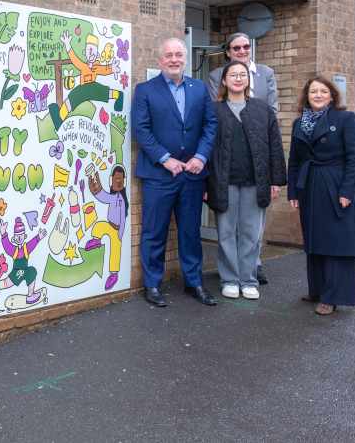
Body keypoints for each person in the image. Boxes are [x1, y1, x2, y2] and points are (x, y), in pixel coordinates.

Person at [131, 37, 218, 307]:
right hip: (159, 175)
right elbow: (141, 130)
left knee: (190, 231)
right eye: (169, 55)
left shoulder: (199, 89)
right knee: (154, 232)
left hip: (192, 175)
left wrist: (201, 157)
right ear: (160, 60)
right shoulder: (145, 90)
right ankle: (153, 285)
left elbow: (210, 125)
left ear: (185, 59)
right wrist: (165, 159)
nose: (174, 59)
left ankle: (194, 283)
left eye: (178, 54)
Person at [205, 61, 287, 300]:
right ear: (224, 80)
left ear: (248, 80)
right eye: (233, 75)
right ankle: (230, 279)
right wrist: (204, 184)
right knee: (227, 233)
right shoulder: (213, 110)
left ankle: (248, 279)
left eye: (242, 75)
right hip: (224, 182)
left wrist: (275, 180)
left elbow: (274, 146)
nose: (238, 78)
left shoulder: (262, 110)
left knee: (252, 234)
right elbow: (206, 149)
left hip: (255, 182)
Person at [287, 76, 355, 315]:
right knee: (314, 240)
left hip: (334, 186)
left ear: (332, 95)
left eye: (323, 91)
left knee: (335, 242)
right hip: (309, 186)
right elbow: (295, 161)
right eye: (313, 92)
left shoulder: (345, 119)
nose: (318, 95)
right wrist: (293, 191)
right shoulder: (299, 124)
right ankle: (317, 290)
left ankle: (332, 296)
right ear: (306, 97)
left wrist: (347, 191)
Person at [87, 165, 128, 290]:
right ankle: (96, 240)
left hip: (117, 230)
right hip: (109, 225)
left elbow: (123, 218)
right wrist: (94, 182)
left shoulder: (120, 199)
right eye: (115, 179)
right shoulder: (113, 197)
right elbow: (103, 196)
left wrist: (120, 234)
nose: (118, 182)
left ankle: (114, 274)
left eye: (120, 179)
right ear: (111, 180)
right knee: (99, 226)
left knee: (115, 251)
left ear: (123, 181)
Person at [0, 217, 47, 305]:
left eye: (21, 235)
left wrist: (38, 237)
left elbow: (32, 243)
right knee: (8, 283)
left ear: (24, 236)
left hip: (25, 271)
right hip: (16, 272)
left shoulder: (26, 248)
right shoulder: (13, 250)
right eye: (17, 236)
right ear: (14, 238)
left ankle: (30, 295)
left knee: (32, 271)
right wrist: (3, 233)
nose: (19, 238)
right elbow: (6, 245)